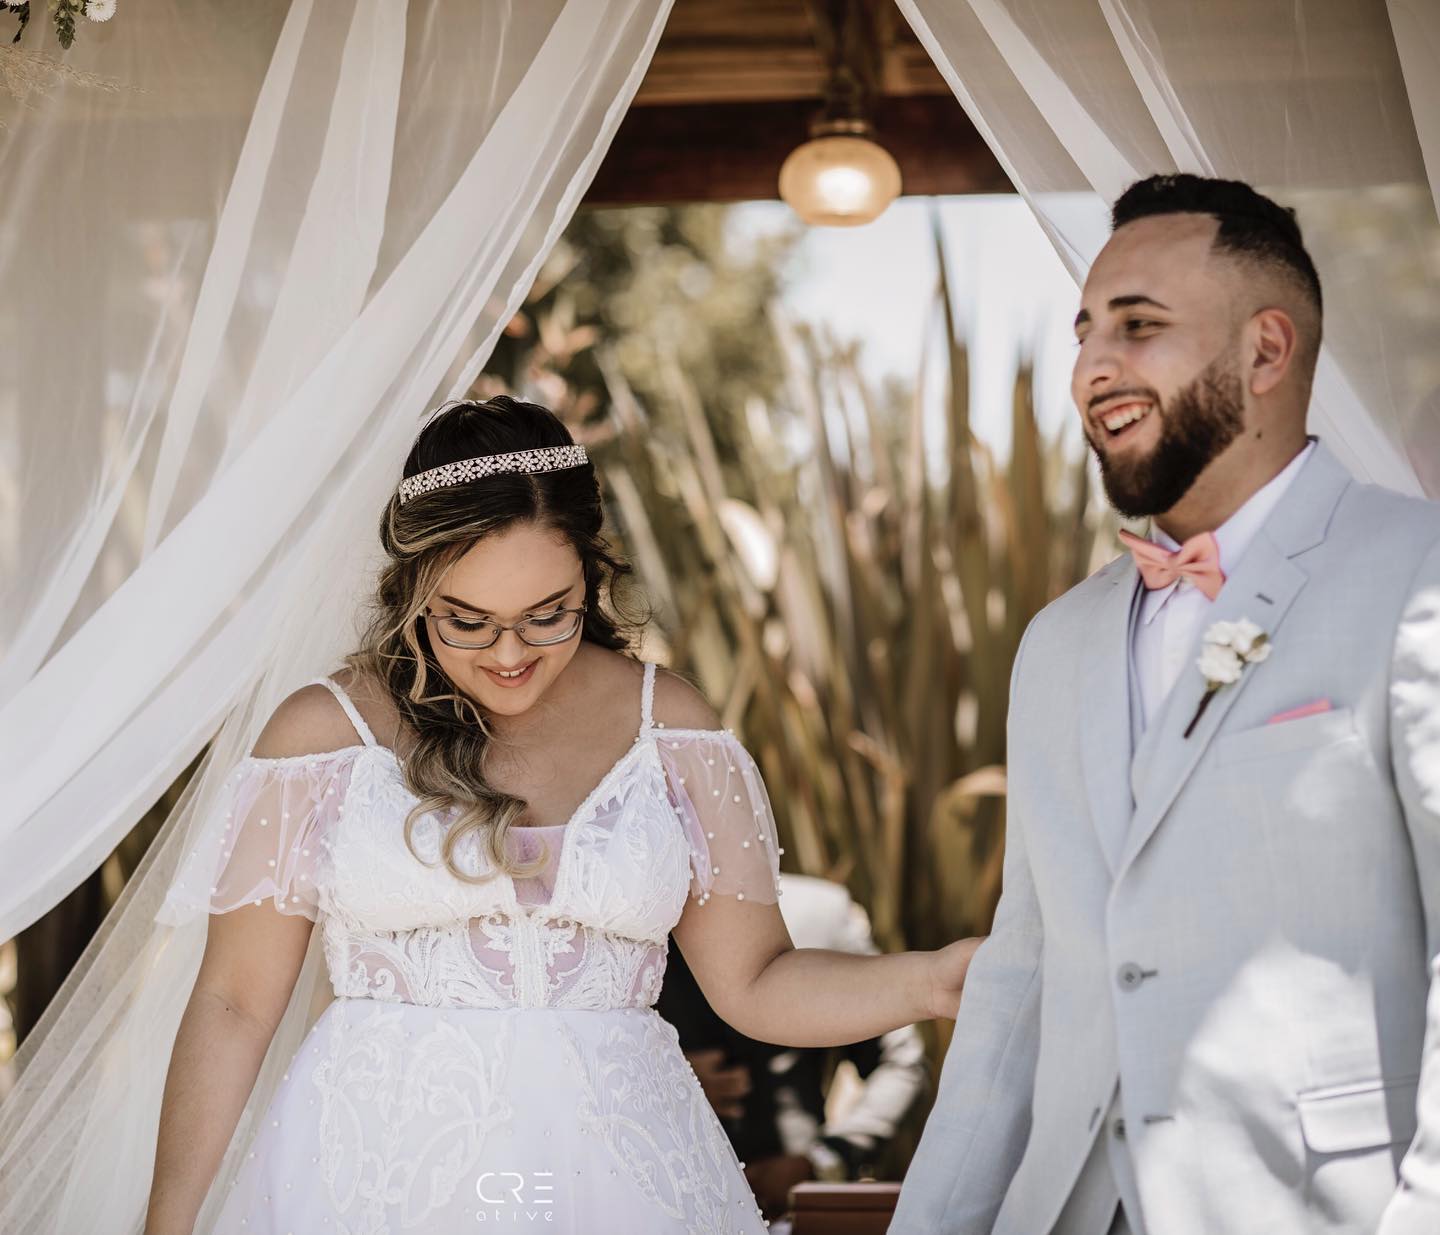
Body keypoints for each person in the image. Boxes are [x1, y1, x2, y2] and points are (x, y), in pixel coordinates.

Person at [140, 395, 980, 1235]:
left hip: (621, 1181)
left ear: (591, 570)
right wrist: (167, 1226)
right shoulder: (322, 737)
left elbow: (758, 980)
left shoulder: (672, 731)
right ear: (413, 590)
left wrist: (932, 979)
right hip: (372, 1182)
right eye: (467, 621)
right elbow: (235, 1003)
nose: (510, 655)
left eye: (548, 614)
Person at [889, 174, 1440, 1235]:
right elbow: (1022, 981)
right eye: (1085, 331)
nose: (1094, 365)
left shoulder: (1419, 573)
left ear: (1266, 351)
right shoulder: (1057, 642)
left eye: (1138, 327)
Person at [659, 873, 928, 1221]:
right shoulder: (632, 921)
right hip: (663, 1197)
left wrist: (823, 1159)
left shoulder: (820, 913)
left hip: (794, 1208)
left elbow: (902, 1061)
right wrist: (665, 1076)